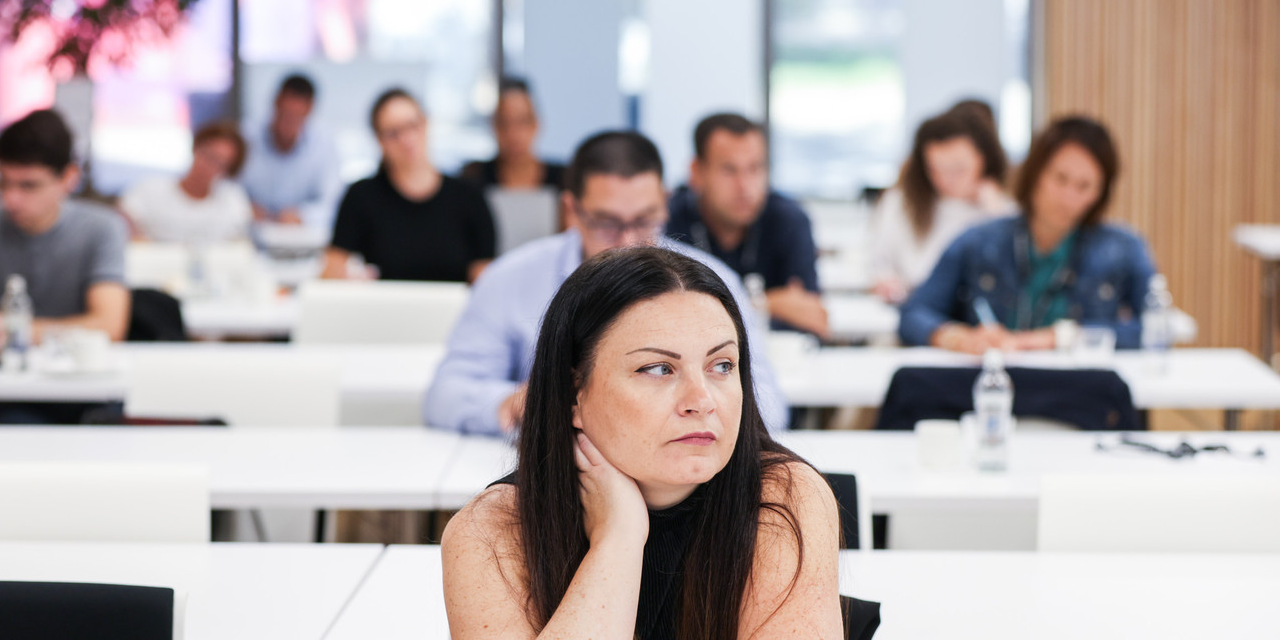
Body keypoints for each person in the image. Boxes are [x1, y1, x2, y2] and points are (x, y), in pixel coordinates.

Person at [440, 246, 843, 640]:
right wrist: (619, 539)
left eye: (722, 365)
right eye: (658, 369)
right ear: (572, 396)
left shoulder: (785, 501)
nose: (702, 399)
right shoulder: (491, 532)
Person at [423, 130, 788, 436]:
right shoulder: (511, 279)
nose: (628, 242)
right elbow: (445, 394)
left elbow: (768, 405)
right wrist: (515, 402)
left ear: (664, 203)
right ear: (572, 210)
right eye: (606, 223)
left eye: (645, 220)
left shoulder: (713, 281)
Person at [898, 115, 1157, 352]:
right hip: (989, 386)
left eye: (1084, 186)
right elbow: (914, 314)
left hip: (1078, 392)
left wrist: (1058, 337)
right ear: (1036, 173)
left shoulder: (1123, 248)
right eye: (1060, 179)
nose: (1068, 197)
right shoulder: (978, 241)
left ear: (1100, 193)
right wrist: (960, 338)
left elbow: (1155, 328)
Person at [0, 108, 129, 362]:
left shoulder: (102, 228)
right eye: (2, 183)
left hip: (80, 383)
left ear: (69, 177)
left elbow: (110, 325)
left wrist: (16, 331)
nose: (11, 199)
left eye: (28, 185)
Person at [665, 113, 828, 338]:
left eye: (755, 169)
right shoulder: (668, 220)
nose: (744, 186)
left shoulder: (789, 219)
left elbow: (816, 319)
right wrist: (769, 303)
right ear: (697, 172)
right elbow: (663, 319)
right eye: (729, 170)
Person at [322, 88, 496, 283]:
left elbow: (485, 279)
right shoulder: (361, 197)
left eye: (412, 126)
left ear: (426, 124)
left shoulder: (469, 197)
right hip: (380, 311)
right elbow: (331, 272)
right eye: (393, 133)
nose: (406, 139)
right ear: (379, 140)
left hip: (455, 312)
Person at [868, 108, 1016, 303]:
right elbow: (876, 263)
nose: (946, 180)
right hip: (911, 308)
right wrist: (884, 281)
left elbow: (1014, 278)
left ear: (983, 160)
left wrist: (996, 212)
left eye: (958, 169)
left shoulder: (1002, 211)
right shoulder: (900, 203)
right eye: (935, 169)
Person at [119, 121, 253, 243]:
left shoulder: (232, 200)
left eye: (220, 164)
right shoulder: (150, 189)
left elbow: (242, 242)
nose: (208, 167)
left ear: (228, 172)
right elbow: (122, 220)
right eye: (207, 155)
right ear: (195, 148)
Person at [239, 73, 339, 231]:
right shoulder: (245, 138)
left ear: (309, 110)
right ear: (275, 103)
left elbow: (332, 203)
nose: (288, 124)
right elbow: (225, 189)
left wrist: (302, 215)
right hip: (250, 234)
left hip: (300, 239)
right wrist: (243, 207)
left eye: (296, 117)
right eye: (284, 115)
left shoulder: (323, 144)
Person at [459, 77, 568, 190]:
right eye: (504, 123)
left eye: (522, 121)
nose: (513, 133)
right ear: (493, 126)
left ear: (536, 124)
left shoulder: (564, 179)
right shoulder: (473, 177)